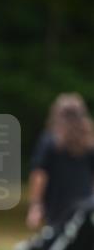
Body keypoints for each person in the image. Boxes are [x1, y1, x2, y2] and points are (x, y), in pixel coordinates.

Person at [27, 93, 94, 231]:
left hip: (56, 205)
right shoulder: (90, 143)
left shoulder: (49, 141)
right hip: (84, 205)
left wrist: (36, 205)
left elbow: (39, 174)